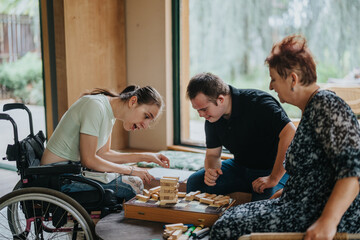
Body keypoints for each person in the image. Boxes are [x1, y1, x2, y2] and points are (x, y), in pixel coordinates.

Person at [211, 35, 360, 239]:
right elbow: (316, 170)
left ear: (293, 79)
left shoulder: (327, 105)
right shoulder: (312, 109)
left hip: (320, 215)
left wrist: (327, 223)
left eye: (273, 79)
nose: (271, 86)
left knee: (225, 228)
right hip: (299, 205)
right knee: (229, 216)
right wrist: (287, 192)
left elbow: (353, 170)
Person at [41, 86, 170, 201]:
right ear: (133, 101)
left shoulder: (109, 113)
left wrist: (147, 156)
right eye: (146, 116)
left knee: (133, 181)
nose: (145, 125)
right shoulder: (95, 107)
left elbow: (103, 154)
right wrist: (130, 170)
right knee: (132, 185)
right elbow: (89, 159)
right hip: (57, 177)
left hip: (72, 171)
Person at [186, 72, 296, 201]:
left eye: (204, 109)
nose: (201, 115)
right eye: (197, 110)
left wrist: (273, 178)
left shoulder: (259, 103)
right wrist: (211, 170)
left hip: (273, 169)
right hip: (240, 168)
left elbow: (290, 132)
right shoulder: (212, 118)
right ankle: (190, 222)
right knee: (195, 182)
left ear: (220, 99)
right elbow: (212, 155)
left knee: (262, 205)